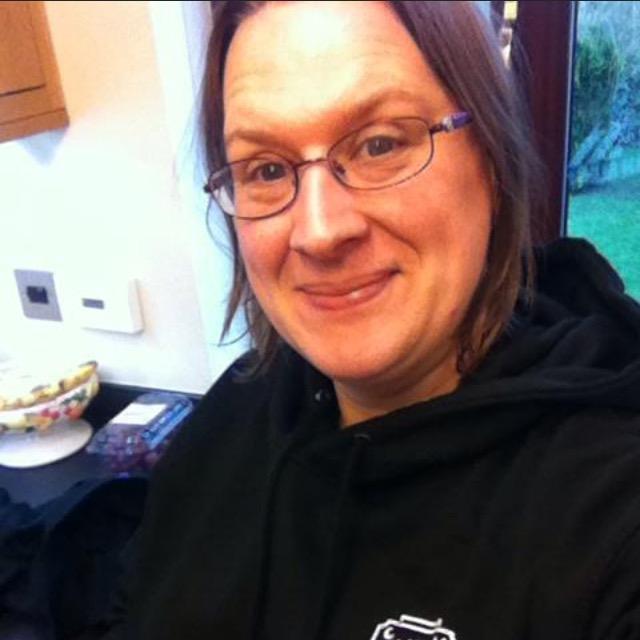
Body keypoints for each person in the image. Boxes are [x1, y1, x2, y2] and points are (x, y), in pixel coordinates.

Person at [112, 2, 640, 639]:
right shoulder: (236, 412)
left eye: (380, 144)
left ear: (491, 159)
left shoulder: (611, 511)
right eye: (267, 169)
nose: (319, 231)